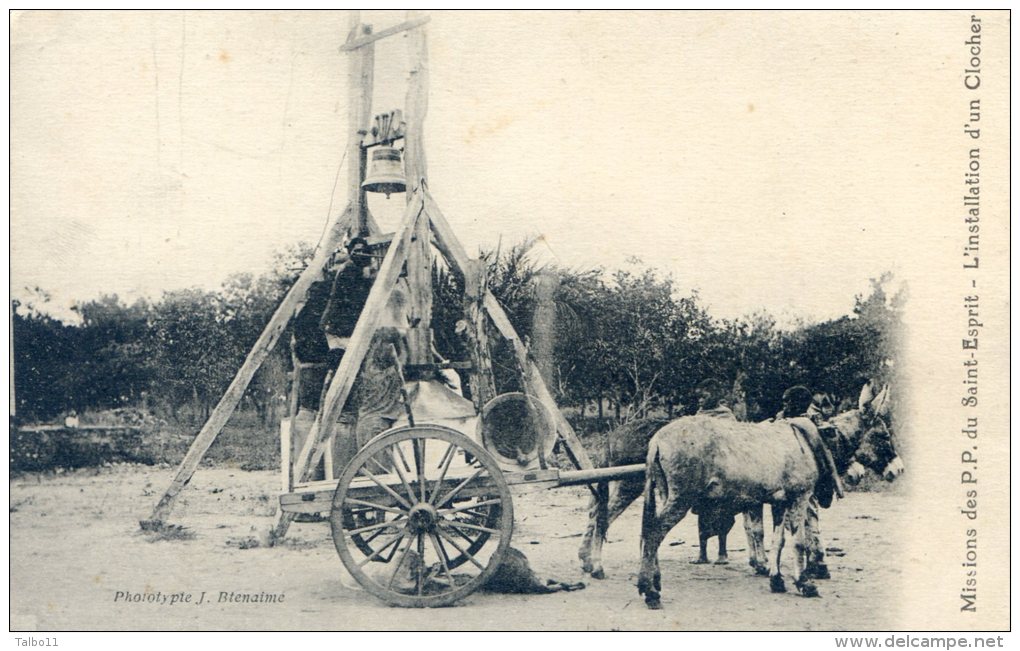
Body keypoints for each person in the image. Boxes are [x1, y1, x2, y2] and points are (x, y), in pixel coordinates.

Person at [691, 378, 737, 564]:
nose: (700, 400)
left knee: (723, 513)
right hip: (702, 471)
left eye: (704, 396)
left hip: (723, 471)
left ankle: (722, 552)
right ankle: (702, 553)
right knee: (702, 514)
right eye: (699, 397)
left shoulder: (726, 416)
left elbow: (734, 441)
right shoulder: (699, 415)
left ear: (715, 396)